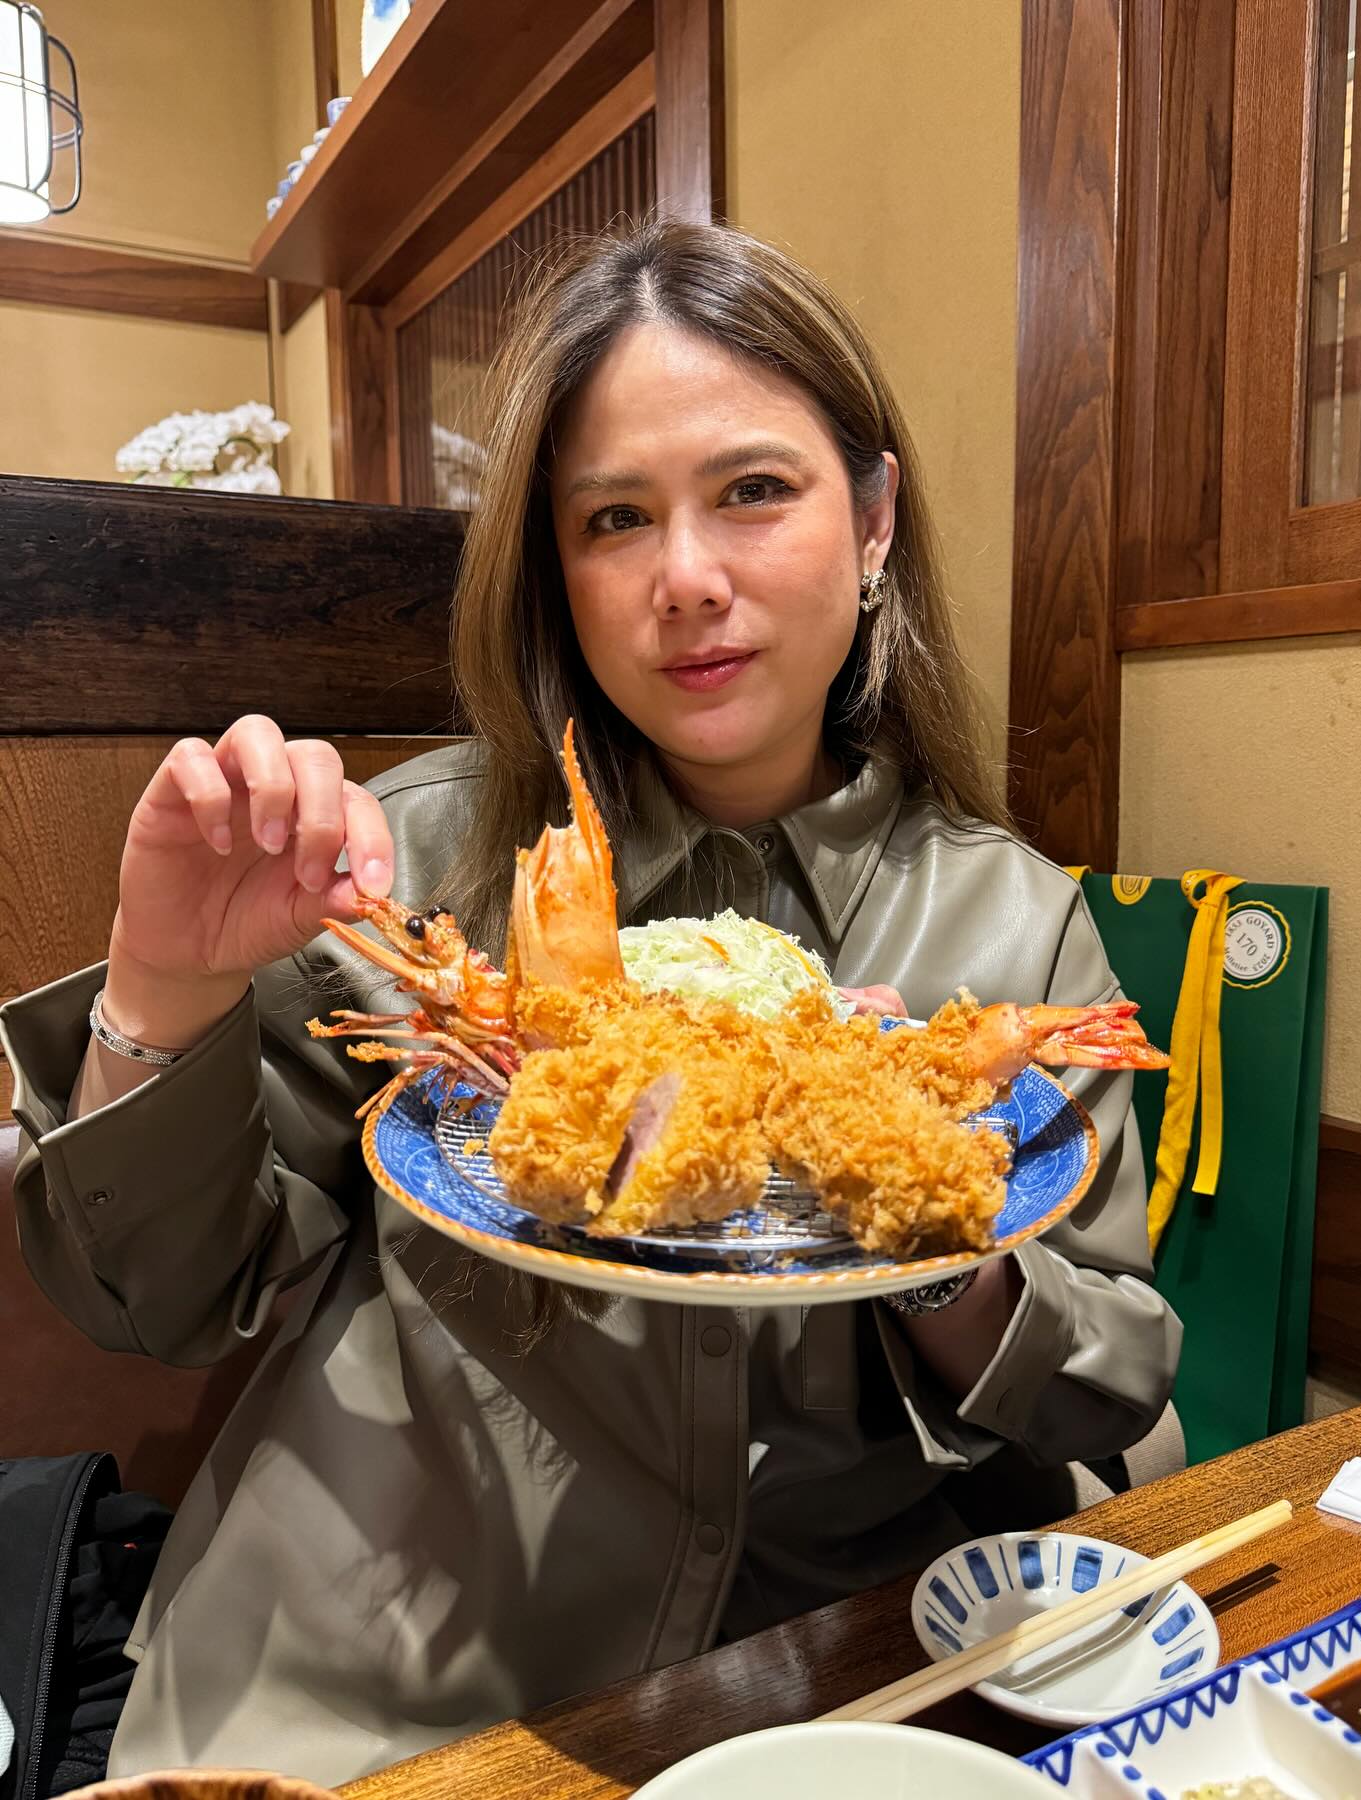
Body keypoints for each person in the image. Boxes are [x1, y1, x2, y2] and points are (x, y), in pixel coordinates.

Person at [0, 220, 1180, 1787]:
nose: (687, 580)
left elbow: (1111, 1390)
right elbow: (149, 1305)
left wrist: (918, 1235)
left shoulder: (1016, 923)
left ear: (876, 519)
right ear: (557, 571)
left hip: (815, 1692)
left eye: (754, 490)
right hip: (392, 1690)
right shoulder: (401, 873)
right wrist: (168, 983)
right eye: (616, 518)